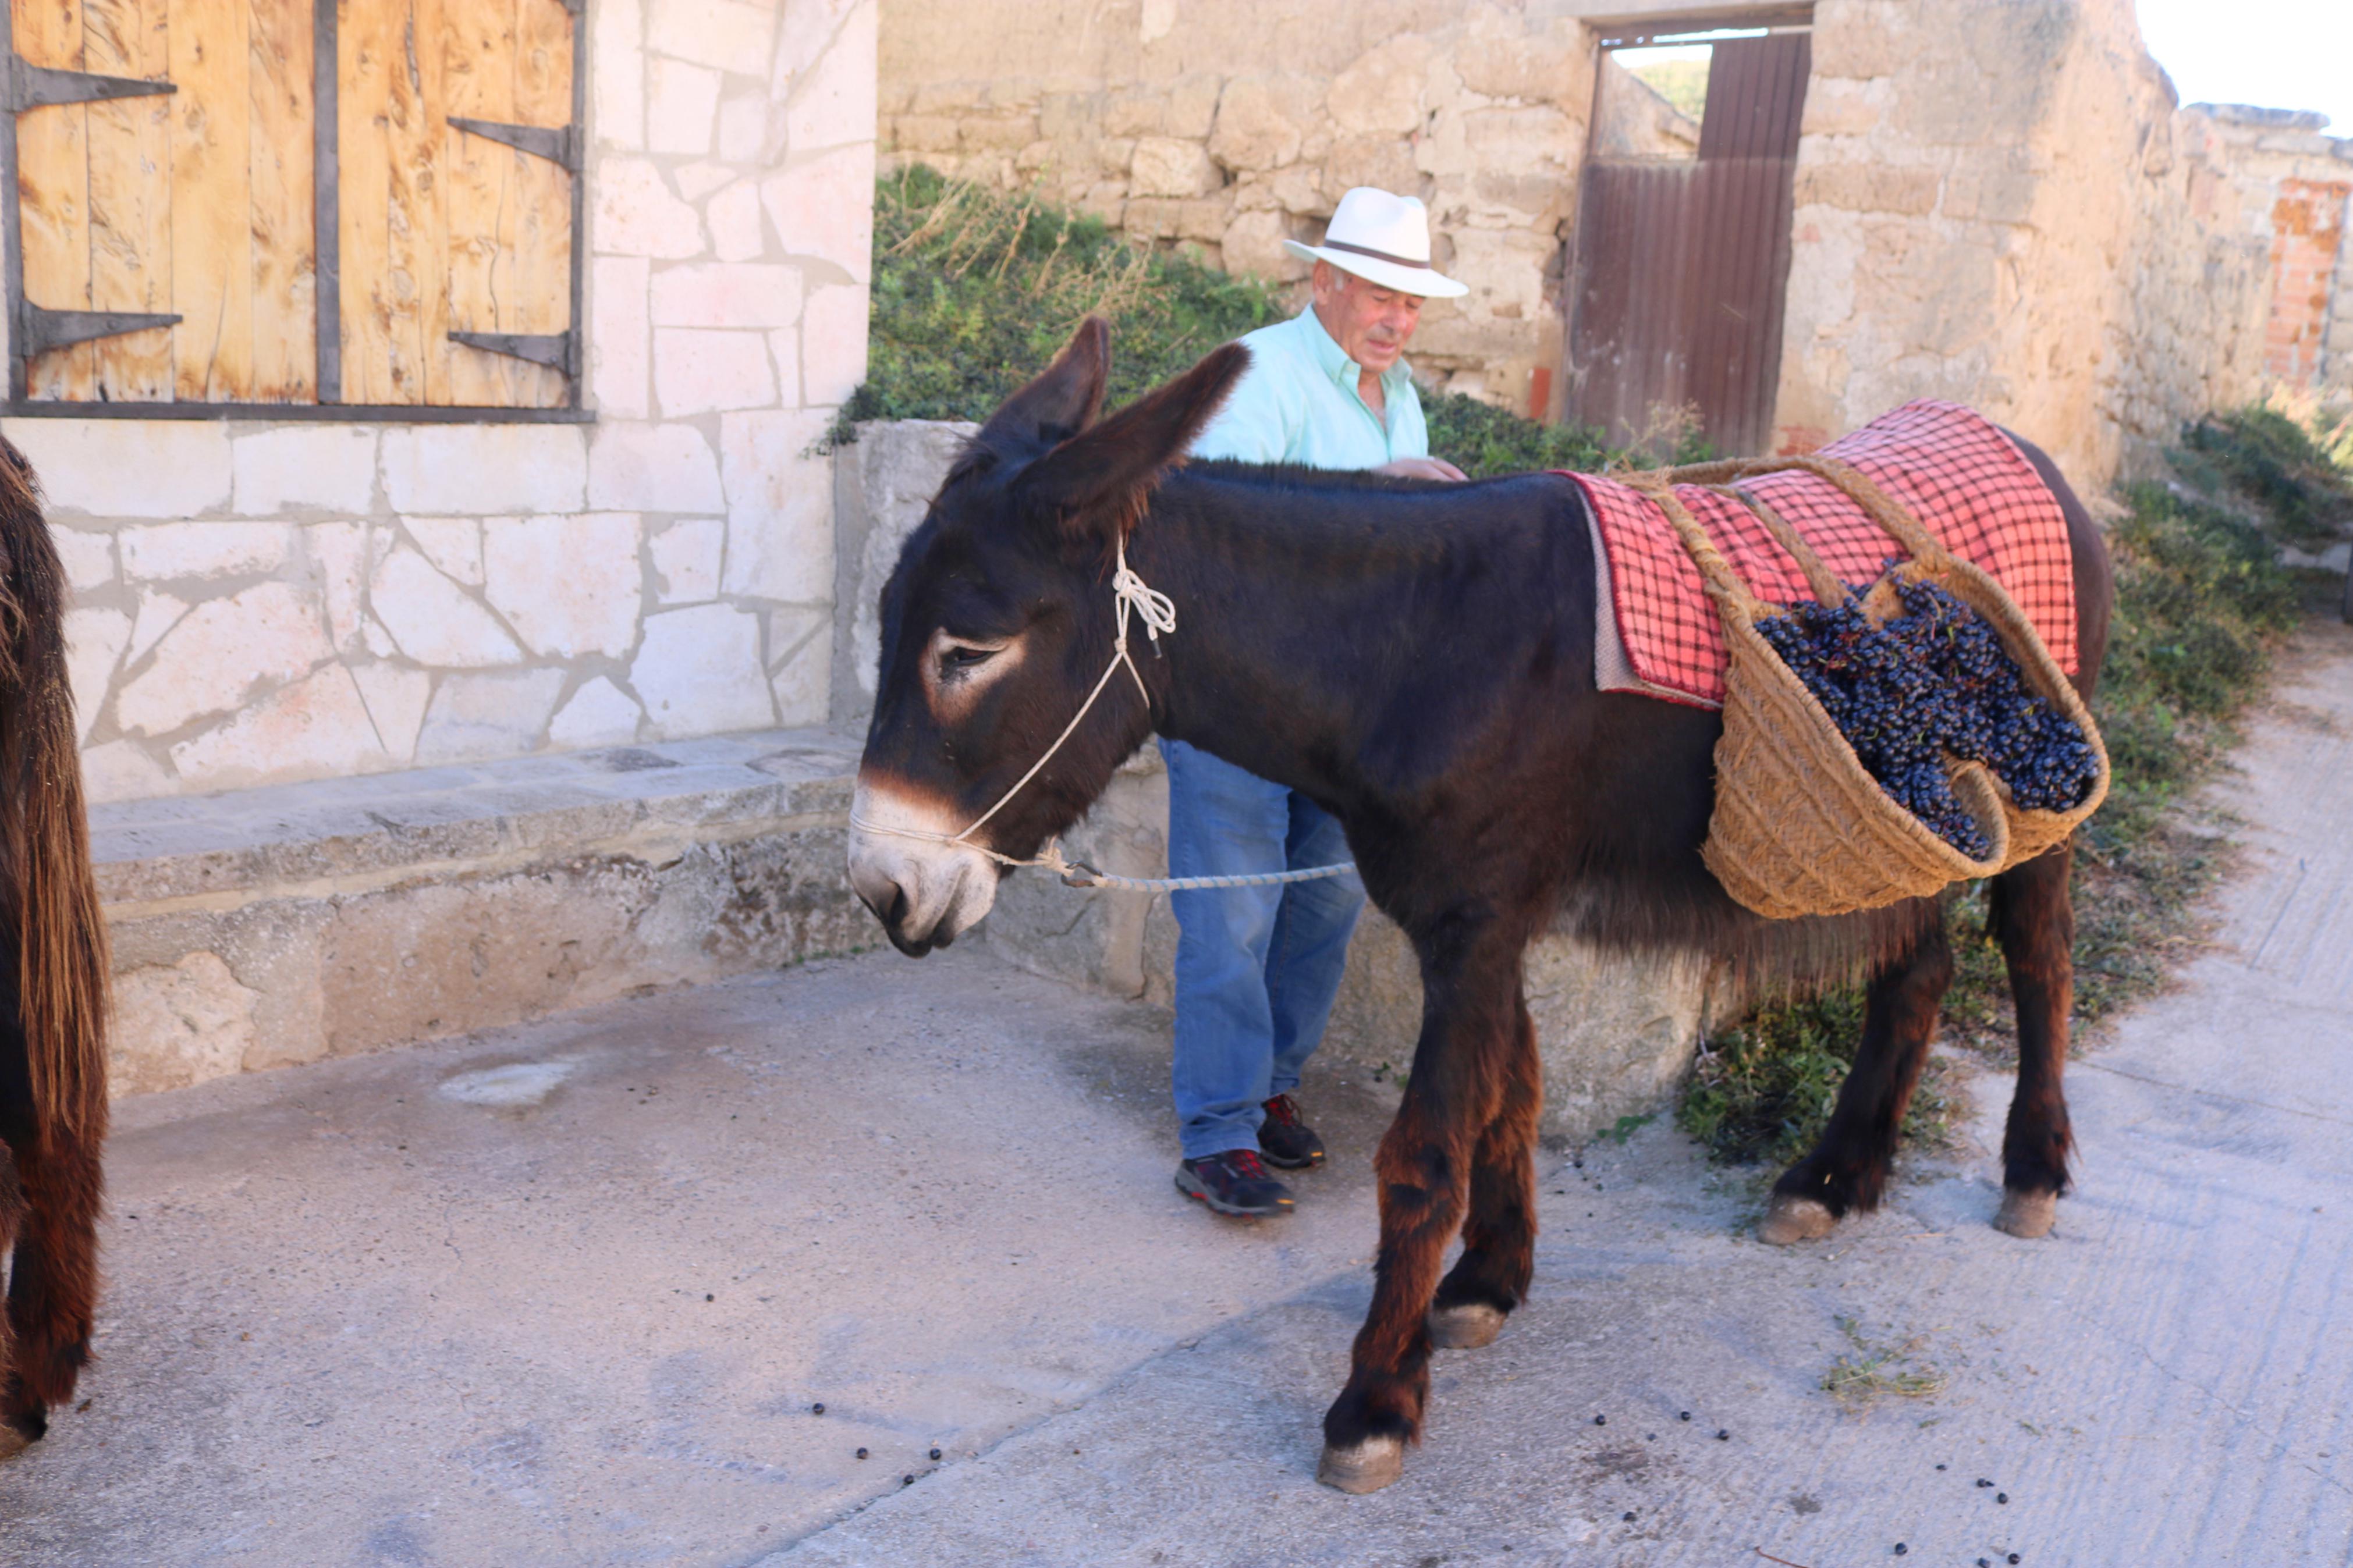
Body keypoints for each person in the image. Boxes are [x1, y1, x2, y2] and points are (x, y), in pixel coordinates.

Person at [1166, 186, 1470, 1219]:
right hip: (1236, 693)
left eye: (1412, 304)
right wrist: (1380, 491)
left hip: (1342, 704)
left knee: (1331, 894)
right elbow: (1218, 526)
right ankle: (1215, 1135)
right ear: (1325, 282)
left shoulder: (1399, 393)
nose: (1396, 320)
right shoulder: (1259, 372)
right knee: (1234, 911)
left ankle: (1268, 1087)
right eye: (1380, 295)